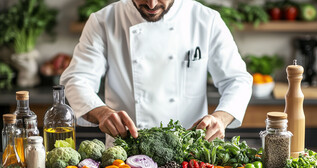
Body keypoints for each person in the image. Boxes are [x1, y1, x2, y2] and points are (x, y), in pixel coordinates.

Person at [60, 0, 252, 147]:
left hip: (191, 153)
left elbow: (237, 80)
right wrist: (101, 112)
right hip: (125, 153)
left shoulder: (206, 20)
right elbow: (77, 79)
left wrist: (220, 118)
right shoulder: (104, 21)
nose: (152, 4)